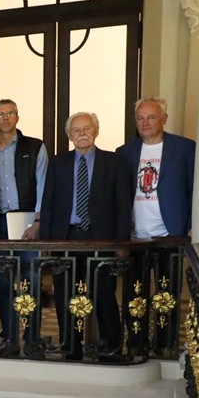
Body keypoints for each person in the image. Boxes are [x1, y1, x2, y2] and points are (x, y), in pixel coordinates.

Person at [40, 112, 133, 357]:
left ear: (96, 131)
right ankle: (70, 344)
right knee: (64, 293)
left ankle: (110, 345)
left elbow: (123, 205)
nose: (82, 133)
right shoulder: (58, 163)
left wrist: (121, 242)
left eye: (86, 128)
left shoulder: (113, 162)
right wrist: (48, 242)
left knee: (104, 292)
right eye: (76, 130)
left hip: (101, 238)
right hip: (66, 238)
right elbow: (48, 203)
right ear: (69, 135)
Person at [117, 97, 196, 351]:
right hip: (135, 236)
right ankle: (137, 343)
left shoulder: (185, 148)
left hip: (169, 235)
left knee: (167, 295)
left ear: (164, 118)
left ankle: (165, 344)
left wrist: (193, 225)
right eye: (140, 118)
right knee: (134, 295)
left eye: (151, 117)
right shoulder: (124, 152)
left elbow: (197, 189)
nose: (145, 123)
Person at [0, 99, 48, 347]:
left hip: (28, 221)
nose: (5, 118)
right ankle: (9, 336)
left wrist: (39, 220)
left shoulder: (35, 146)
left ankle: (32, 338)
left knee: (31, 280)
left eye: (10, 113)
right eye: (0, 114)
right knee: (3, 281)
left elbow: (43, 185)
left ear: (17, 117)